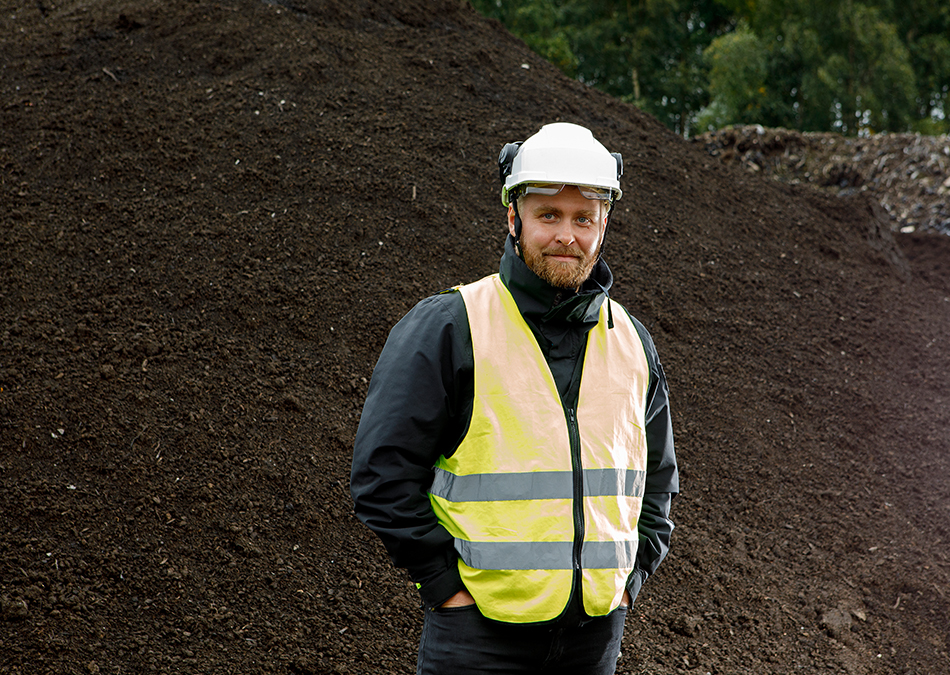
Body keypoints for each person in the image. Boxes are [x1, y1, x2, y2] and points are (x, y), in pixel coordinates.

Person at [350, 122, 678, 675]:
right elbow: (382, 473)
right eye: (548, 215)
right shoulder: (451, 326)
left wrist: (630, 580)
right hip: (477, 639)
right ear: (513, 217)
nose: (566, 236)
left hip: (592, 641)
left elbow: (657, 480)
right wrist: (443, 586)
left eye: (583, 218)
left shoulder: (633, 343)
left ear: (604, 224)